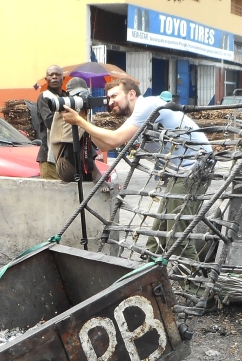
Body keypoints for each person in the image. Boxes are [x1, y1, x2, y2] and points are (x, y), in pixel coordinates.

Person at [62, 77, 213, 260]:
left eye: (115, 96)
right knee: (156, 240)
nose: (110, 102)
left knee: (177, 240)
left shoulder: (148, 105)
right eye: (108, 98)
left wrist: (79, 121)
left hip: (193, 170)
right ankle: (149, 284)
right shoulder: (137, 116)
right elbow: (105, 146)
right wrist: (83, 121)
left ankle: (194, 288)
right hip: (178, 173)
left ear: (131, 94)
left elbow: (114, 139)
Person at [34, 65, 64, 180]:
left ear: (63, 78)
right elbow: (49, 121)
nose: (54, 77)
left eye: (57, 74)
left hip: (64, 157)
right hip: (49, 157)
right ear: (46, 79)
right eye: (51, 75)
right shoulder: (45, 97)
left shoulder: (67, 96)